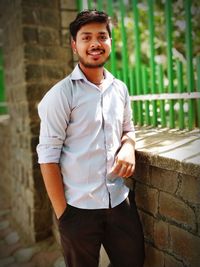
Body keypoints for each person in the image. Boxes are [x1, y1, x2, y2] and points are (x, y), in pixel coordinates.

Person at [37, 9, 144, 267]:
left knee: (134, 261)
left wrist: (129, 145)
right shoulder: (61, 95)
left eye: (102, 36)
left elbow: (128, 128)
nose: (95, 43)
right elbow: (47, 158)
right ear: (74, 45)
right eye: (86, 38)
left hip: (119, 202)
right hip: (78, 210)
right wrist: (64, 215)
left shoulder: (120, 89)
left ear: (109, 42)